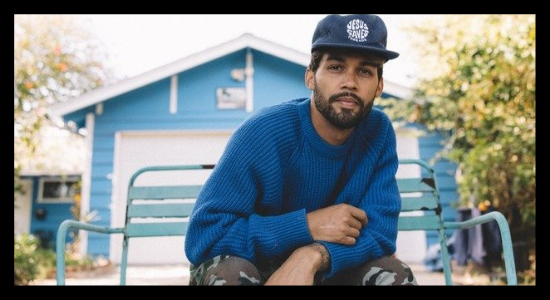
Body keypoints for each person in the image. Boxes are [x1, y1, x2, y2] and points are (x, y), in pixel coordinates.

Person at [185, 14, 417, 286]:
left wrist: (311, 255)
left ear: (379, 86)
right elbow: (204, 236)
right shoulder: (263, 132)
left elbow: (380, 233)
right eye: (335, 67)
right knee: (230, 274)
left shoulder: (378, 132)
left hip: (330, 267)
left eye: (365, 71)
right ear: (310, 77)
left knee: (393, 274)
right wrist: (307, 225)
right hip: (255, 269)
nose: (350, 82)